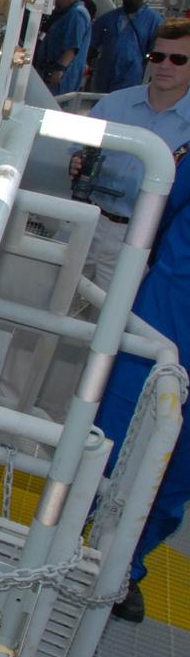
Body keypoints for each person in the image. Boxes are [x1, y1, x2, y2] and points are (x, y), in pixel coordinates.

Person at [94, 95, 190, 625]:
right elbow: (160, 215)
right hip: (166, 323)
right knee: (115, 437)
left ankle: (127, 564)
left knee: (177, 472)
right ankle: (73, 546)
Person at [69, 19, 190, 291]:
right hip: (88, 221)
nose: (165, 65)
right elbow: (79, 150)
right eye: (157, 56)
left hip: (141, 237)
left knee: (116, 322)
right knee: (47, 303)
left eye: (178, 59)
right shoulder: (114, 103)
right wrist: (77, 160)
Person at [89, 0, 163, 94]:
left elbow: (158, 49)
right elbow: (92, 42)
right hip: (104, 72)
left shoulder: (154, 21)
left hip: (130, 74)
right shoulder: (110, 17)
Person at [38, 0, 91, 96]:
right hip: (51, 70)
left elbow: (72, 47)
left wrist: (59, 69)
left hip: (62, 77)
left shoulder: (77, 14)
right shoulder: (66, 13)